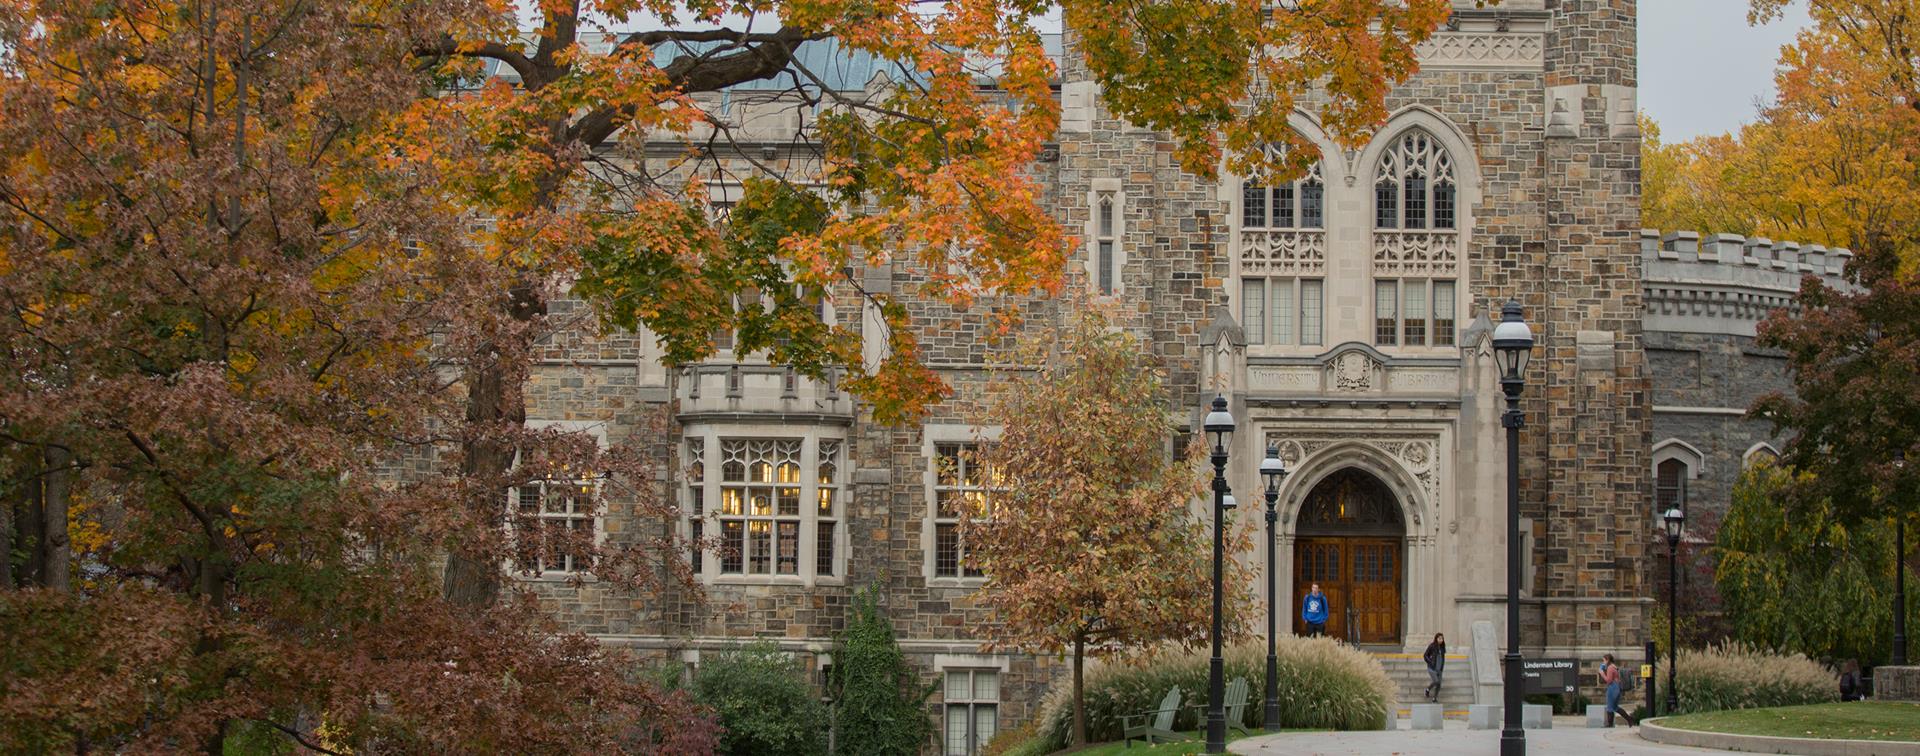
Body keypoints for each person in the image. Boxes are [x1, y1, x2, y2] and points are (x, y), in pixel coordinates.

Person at [1599, 653, 1637, 727]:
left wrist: (1602, 673)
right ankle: (1630, 719)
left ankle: (1609, 724)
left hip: (1612, 688)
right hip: (1617, 687)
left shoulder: (1610, 668)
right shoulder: (1614, 667)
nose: (1603, 662)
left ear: (1607, 660)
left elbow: (1608, 680)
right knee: (1615, 707)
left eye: (1603, 661)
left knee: (1610, 706)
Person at [1423, 633, 1447, 702]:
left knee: (1439, 684)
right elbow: (1425, 655)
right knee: (1436, 681)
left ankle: (1435, 698)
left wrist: (1442, 668)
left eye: (1442, 638)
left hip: (1439, 669)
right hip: (1432, 668)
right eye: (1439, 638)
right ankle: (1427, 689)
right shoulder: (1432, 646)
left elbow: (1442, 658)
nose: (1441, 640)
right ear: (1436, 639)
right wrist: (1430, 662)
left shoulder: (1442, 648)